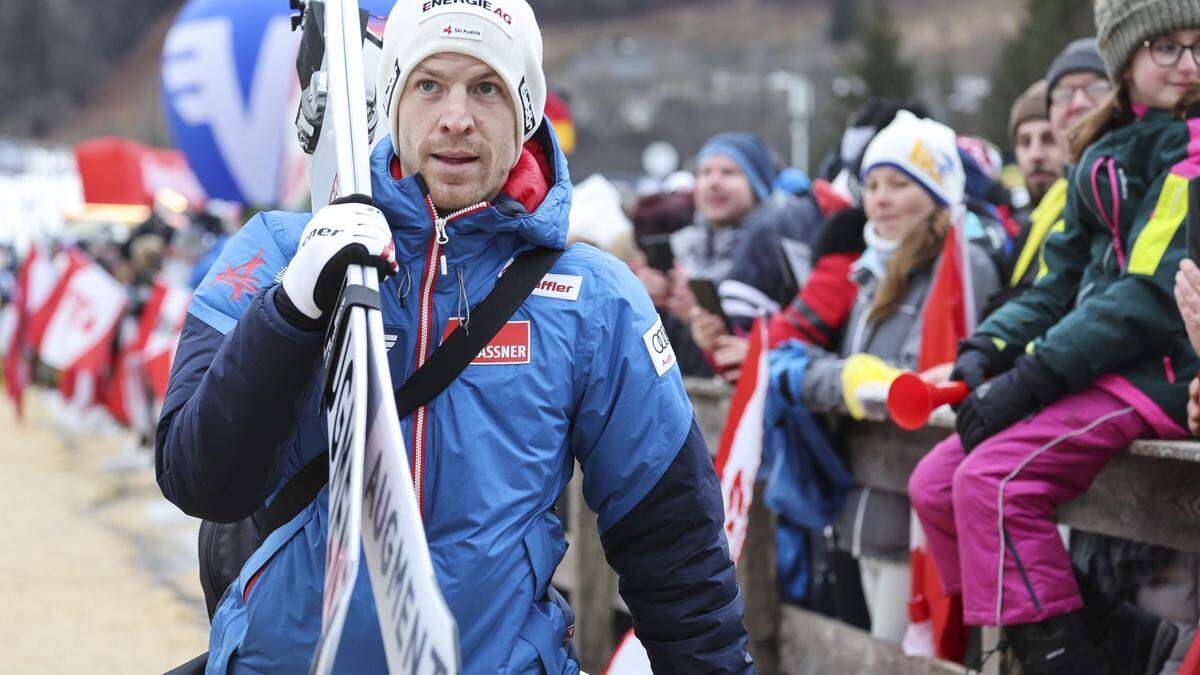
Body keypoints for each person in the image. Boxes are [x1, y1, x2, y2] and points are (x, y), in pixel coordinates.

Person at [155, 1, 751, 672]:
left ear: (526, 111)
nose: (457, 118)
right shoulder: (274, 250)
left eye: (487, 87)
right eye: (430, 84)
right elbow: (197, 476)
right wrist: (291, 307)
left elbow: (676, 551)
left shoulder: (593, 299)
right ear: (394, 98)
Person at [908, 3, 1200, 671]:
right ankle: (1100, 634)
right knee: (933, 483)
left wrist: (1033, 376)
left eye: (1198, 47)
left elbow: (1149, 292)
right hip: (1096, 366)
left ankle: (1059, 659)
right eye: (1166, 47)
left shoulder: (1193, 148)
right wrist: (987, 348)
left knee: (993, 480)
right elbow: (1056, 280)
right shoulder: (1103, 149)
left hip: (1158, 369)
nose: (1188, 65)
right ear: (1124, 58)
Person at [793, 111, 999, 644]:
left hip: (916, 511)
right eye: (874, 184)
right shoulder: (870, 271)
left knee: (901, 652)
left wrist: (846, 383)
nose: (879, 198)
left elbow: (920, 385)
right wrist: (844, 381)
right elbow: (844, 374)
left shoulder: (963, 265)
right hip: (863, 500)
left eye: (900, 184)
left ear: (937, 190)